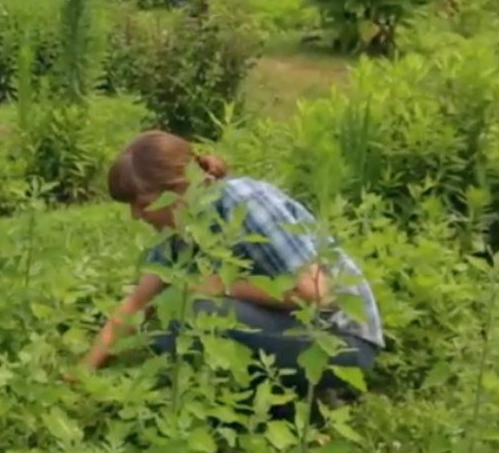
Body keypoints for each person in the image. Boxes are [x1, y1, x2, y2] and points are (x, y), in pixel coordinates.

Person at [80, 131, 383, 412]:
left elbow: (318, 293)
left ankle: (293, 400)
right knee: (169, 314)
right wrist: (83, 374)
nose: (136, 215)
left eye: (142, 203)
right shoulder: (180, 229)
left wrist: (225, 286)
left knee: (194, 312)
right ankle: (271, 393)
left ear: (177, 188)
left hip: (342, 341)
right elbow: (136, 304)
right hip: (291, 329)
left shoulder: (245, 202)